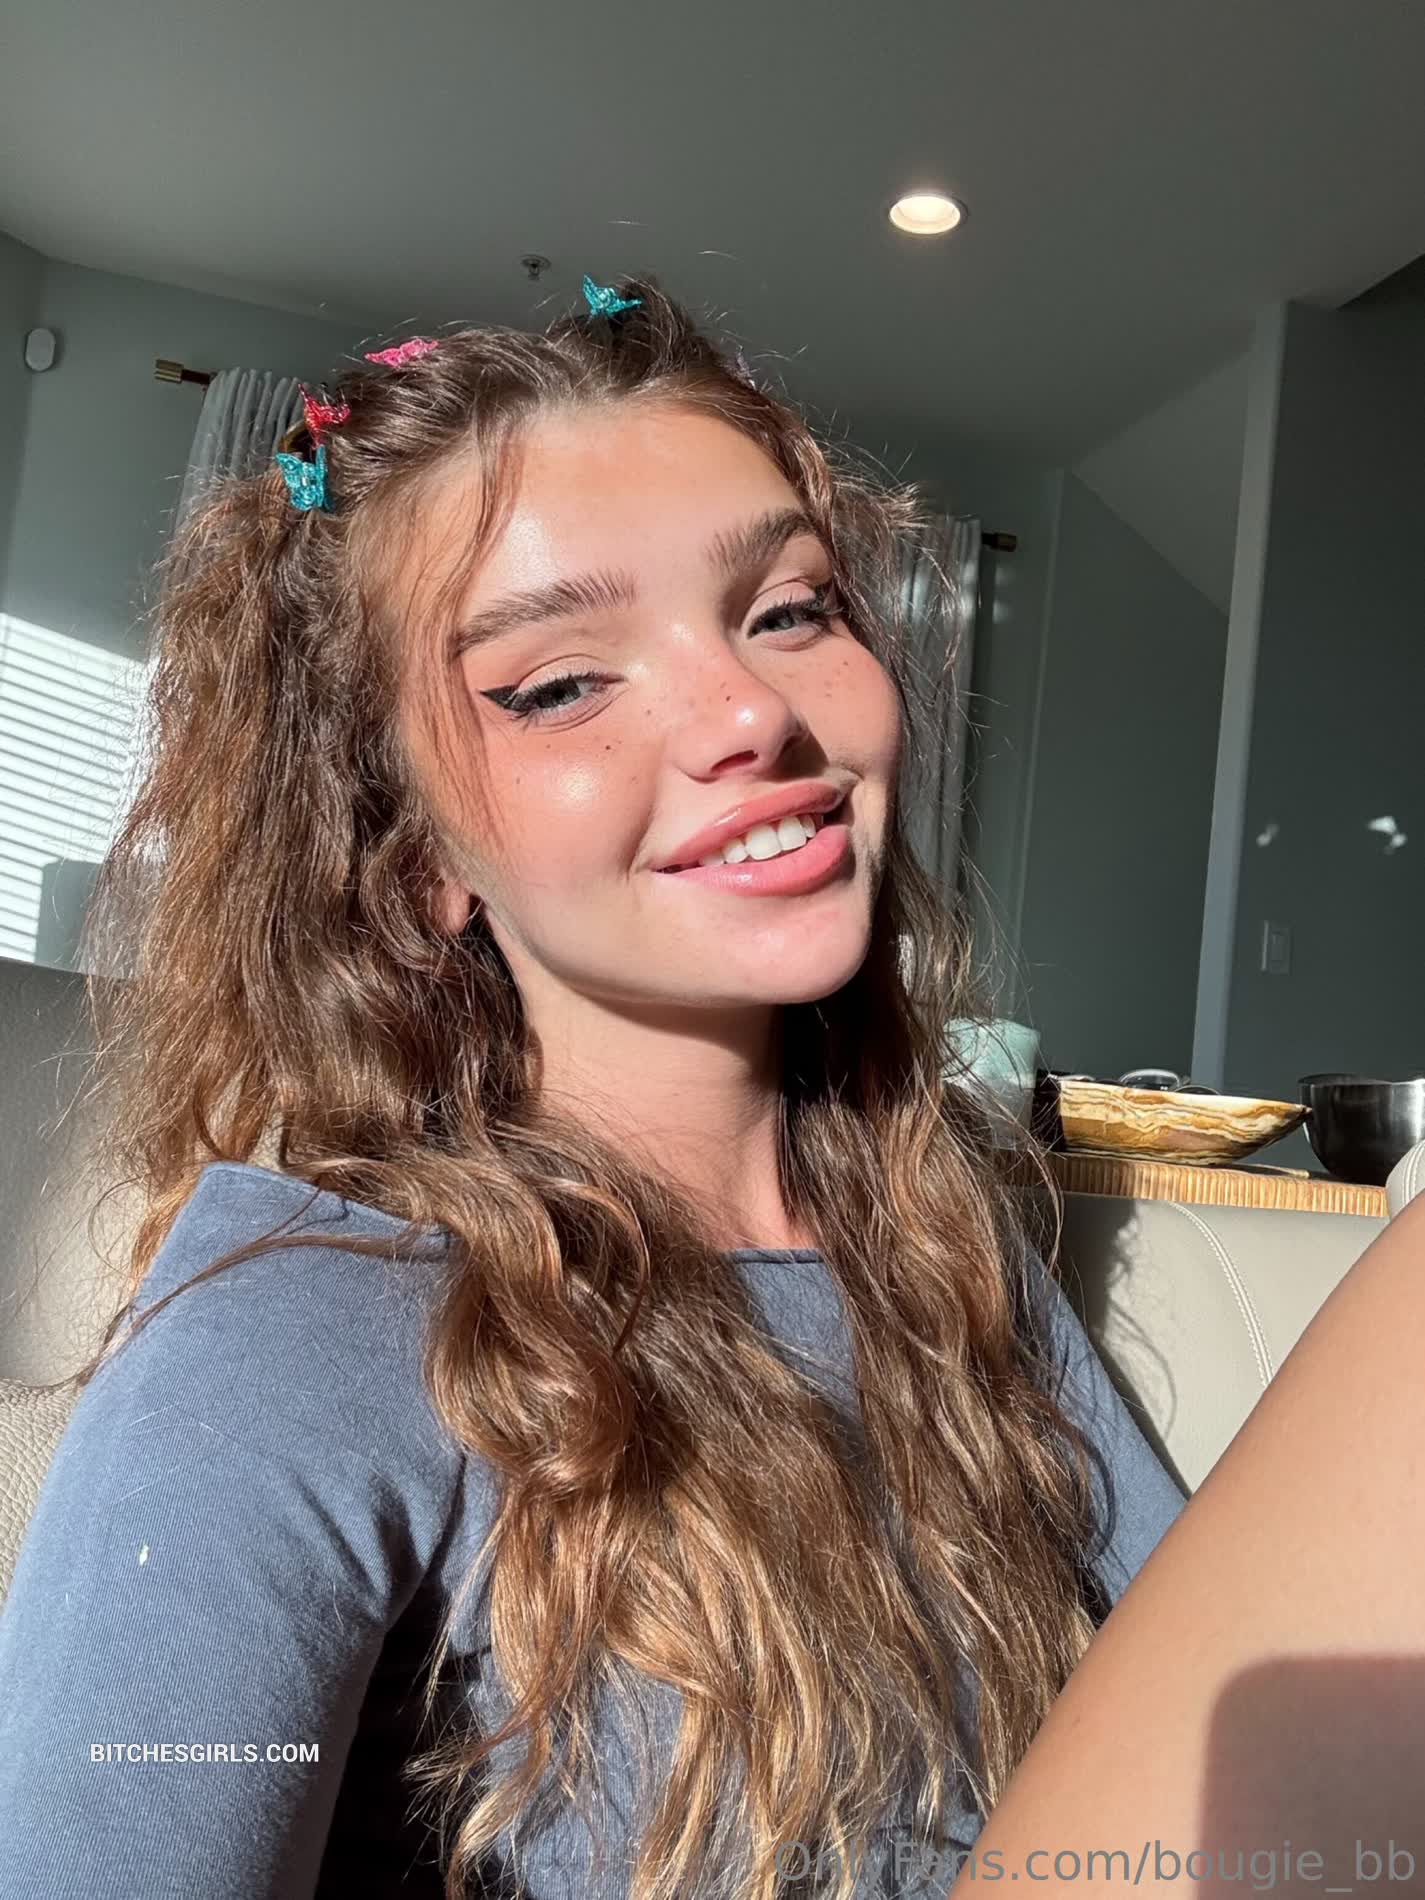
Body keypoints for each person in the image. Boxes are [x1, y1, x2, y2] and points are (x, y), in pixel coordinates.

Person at [3, 271, 1247, 1900]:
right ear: (412, 858)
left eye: (787, 609)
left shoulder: (949, 1233)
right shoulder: (300, 1325)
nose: (749, 712)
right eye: (558, 682)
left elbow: (1217, 1743)